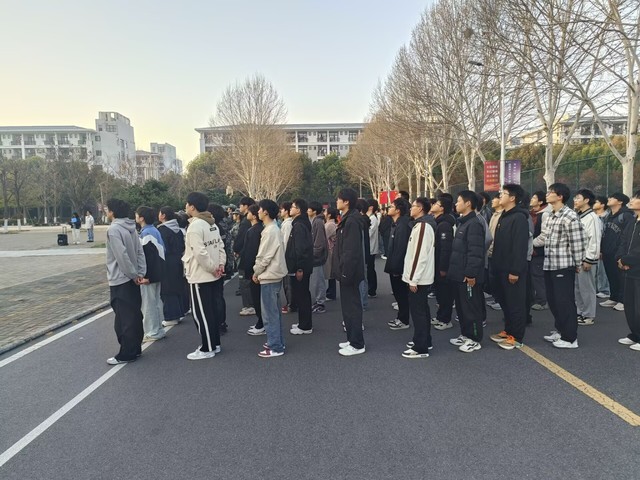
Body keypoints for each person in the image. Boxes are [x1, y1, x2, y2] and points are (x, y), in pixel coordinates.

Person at [534, 183, 586, 349]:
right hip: (550, 264)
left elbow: (577, 243)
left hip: (563, 265)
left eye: (551, 192)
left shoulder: (570, 216)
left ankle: (570, 338)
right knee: (554, 300)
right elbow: (545, 238)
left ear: (560, 196)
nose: (547, 194)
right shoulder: (551, 215)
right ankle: (561, 330)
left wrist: (577, 263)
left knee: (565, 302)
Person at [182, 191, 226, 360]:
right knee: (211, 311)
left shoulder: (194, 226)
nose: (186, 207)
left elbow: (199, 253)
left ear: (192, 207)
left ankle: (207, 348)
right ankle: (214, 343)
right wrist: (220, 266)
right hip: (213, 274)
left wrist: (213, 268)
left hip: (200, 276)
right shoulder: (211, 224)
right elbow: (220, 246)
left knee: (201, 314)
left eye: (187, 204)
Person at [489, 185, 530, 350]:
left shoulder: (519, 218)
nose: (500, 196)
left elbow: (520, 247)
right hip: (500, 267)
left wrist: (515, 271)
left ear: (512, 198)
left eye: (503, 193)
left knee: (515, 304)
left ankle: (517, 337)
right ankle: (508, 330)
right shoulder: (504, 216)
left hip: (512, 270)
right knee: (505, 302)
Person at [105, 198, 146, 365]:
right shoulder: (131, 227)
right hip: (133, 278)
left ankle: (127, 353)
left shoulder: (114, 229)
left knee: (124, 318)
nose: (106, 212)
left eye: (107, 209)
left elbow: (121, 255)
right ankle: (135, 348)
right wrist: (140, 273)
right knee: (134, 314)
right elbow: (139, 252)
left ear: (112, 212)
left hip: (121, 279)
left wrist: (133, 274)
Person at [448, 191, 487, 353]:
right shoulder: (463, 222)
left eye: (458, 201)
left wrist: (471, 274)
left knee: (471, 308)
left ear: (468, 203)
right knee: (462, 307)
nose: (456, 204)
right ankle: (465, 334)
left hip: (468, 276)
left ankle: (474, 339)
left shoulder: (474, 224)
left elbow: (475, 252)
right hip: (459, 274)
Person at [252, 199, 289, 357]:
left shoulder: (270, 231)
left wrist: (256, 272)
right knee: (274, 313)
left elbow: (264, 257)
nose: (258, 212)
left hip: (269, 276)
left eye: (260, 209)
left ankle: (275, 346)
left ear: (266, 212)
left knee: (269, 314)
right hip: (273, 275)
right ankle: (277, 341)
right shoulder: (273, 228)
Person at [402, 197, 436, 359]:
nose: (411, 208)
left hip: (419, 278)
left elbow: (419, 255)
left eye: (413, 206)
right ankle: (424, 340)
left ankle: (420, 347)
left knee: (419, 313)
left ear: (421, 209)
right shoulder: (420, 225)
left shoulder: (423, 226)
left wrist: (413, 279)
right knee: (422, 310)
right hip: (419, 277)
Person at [333, 188, 366, 356]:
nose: (337, 201)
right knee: (347, 308)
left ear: (346, 202)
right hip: (345, 271)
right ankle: (352, 339)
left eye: (339, 199)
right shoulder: (347, 219)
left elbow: (351, 251)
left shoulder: (352, 221)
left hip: (349, 272)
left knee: (352, 308)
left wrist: (346, 272)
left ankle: (357, 344)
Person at [135, 206, 166, 342]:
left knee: (148, 304)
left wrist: (147, 276)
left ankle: (152, 331)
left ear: (142, 218)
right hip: (158, 272)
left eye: (137, 214)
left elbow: (148, 257)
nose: (135, 216)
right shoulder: (154, 230)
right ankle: (158, 329)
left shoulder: (146, 233)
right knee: (156, 302)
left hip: (150, 274)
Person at [573, 190, 601, 326]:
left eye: (578, 198)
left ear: (586, 200)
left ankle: (589, 315)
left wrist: (589, 259)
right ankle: (580, 312)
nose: (575, 200)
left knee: (587, 288)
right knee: (578, 288)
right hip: (577, 258)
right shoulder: (578, 216)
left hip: (586, 259)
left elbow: (594, 239)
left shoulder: (592, 217)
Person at [616, 191, 640, 351]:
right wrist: (620, 258)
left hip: (637, 269)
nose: (631, 200)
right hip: (628, 269)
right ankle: (635, 334)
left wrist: (626, 260)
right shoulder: (632, 221)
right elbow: (623, 241)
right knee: (630, 305)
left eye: (636, 198)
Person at [286, 198, 314, 334]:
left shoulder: (299, 226)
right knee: (301, 295)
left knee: (302, 295)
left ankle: (305, 326)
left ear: (298, 210)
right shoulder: (300, 223)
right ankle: (303, 322)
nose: (290, 209)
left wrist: (299, 268)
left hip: (300, 268)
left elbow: (301, 249)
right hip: (301, 266)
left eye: (292, 207)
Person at [601, 193, 632, 311]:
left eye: (612, 198)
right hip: (607, 251)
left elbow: (627, 236)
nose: (609, 199)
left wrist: (622, 254)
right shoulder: (609, 215)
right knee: (611, 275)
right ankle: (613, 297)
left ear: (620, 202)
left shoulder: (626, 215)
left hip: (618, 252)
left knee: (621, 277)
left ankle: (623, 300)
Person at [385, 198, 412, 330]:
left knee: (401, 294)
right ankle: (401, 317)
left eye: (391, 206)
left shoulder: (403, 226)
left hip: (398, 267)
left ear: (398, 210)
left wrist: (396, 269)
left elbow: (401, 249)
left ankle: (403, 320)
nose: (388, 208)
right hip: (394, 265)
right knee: (398, 294)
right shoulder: (396, 224)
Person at [430, 195, 456, 330]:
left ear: (442, 208)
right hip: (437, 263)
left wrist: (443, 267)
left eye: (436, 204)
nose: (433, 205)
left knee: (445, 293)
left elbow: (446, 248)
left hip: (442, 265)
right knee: (440, 293)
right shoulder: (438, 222)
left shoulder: (445, 224)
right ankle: (440, 316)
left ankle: (446, 319)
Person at [158, 207, 186, 327]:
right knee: (177, 287)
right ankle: (179, 313)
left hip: (167, 262)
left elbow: (162, 248)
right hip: (178, 260)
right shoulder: (177, 229)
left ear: (163, 215)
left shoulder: (163, 230)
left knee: (167, 289)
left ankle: (171, 317)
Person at [241, 204, 265, 335]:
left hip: (254, 269)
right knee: (258, 297)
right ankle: (260, 322)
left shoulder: (255, 231)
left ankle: (261, 323)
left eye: (249, 212)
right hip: (256, 268)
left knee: (257, 297)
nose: (247, 214)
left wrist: (250, 270)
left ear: (254, 215)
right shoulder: (258, 229)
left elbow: (251, 252)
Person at [234, 197, 256, 316]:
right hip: (248, 254)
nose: (240, 208)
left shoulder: (246, 222)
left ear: (246, 206)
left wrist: (236, 249)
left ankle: (249, 305)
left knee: (245, 281)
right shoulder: (249, 222)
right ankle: (251, 304)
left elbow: (241, 238)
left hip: (245, 254)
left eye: (241, 205)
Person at [530, 191, 550, 310]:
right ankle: (536, 299)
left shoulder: (544, 215)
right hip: (532, 251)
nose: (531, 199)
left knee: (538, 276)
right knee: (533, 276)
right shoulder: (532, 213)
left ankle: (543, 301)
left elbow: (544, 235)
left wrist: (531, 244)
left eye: (534, 198)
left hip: (539, 251)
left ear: (540, 202)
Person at [308, 201, 328, 314]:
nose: (307, 210)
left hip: (317, 257)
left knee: (318, 280)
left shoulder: (318, 222)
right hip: (315, 255)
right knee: (316, 280)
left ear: (314, 211)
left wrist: (314, 253)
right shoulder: (314, 221)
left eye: (309, 209)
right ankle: (318, 301)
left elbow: (319, 241)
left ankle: (320, 303)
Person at [593, 195, 611, 298]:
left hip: (602, 247)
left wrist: (601, 248)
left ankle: (604, 290)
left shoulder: (607, 217)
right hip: (594, 246)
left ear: (602, 204)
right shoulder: (593, 216)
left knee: (602, 270)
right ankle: (598, 288)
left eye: (596, 202)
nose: (594, 204)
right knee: (595, 270)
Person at [279, 201, 294, 313]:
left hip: (286, 257)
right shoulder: (285, 223)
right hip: (285, 256)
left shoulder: (288, 224)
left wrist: (283, 257)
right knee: (287, 282)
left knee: (288, 283)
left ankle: (290, 304)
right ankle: (290, 303)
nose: (281, 211)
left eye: (282, 209)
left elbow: (286, 242)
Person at [366, 199, 381, 297]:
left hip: (371, 248)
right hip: (370, 248)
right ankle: (370, 289)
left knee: (370, 269)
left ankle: (372, 290)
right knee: (369, 269)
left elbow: (369, 233)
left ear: (371, 207)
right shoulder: (370, 217)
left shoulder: (372, 219)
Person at [324, 207, 339, 301]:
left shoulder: (329, 225)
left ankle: (331, 293)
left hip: (330, 251)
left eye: (325, 211)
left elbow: (324, 237)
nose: (324, 213)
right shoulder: (331, 224)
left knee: (330, 272)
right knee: (330, 272)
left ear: (329, 214)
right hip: (331, 250)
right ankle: (330, 292)